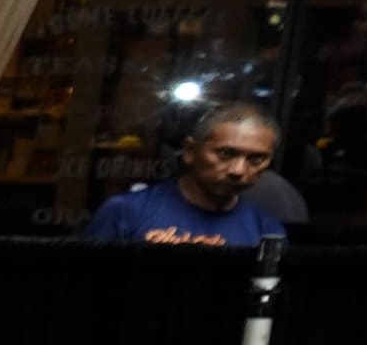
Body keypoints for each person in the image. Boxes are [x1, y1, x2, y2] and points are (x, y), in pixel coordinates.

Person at [87, 100, 293, 246]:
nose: (238, 170)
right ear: (190, 151)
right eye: (226, 154)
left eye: (256, 159)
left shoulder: (266, 229)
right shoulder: (127, 211)